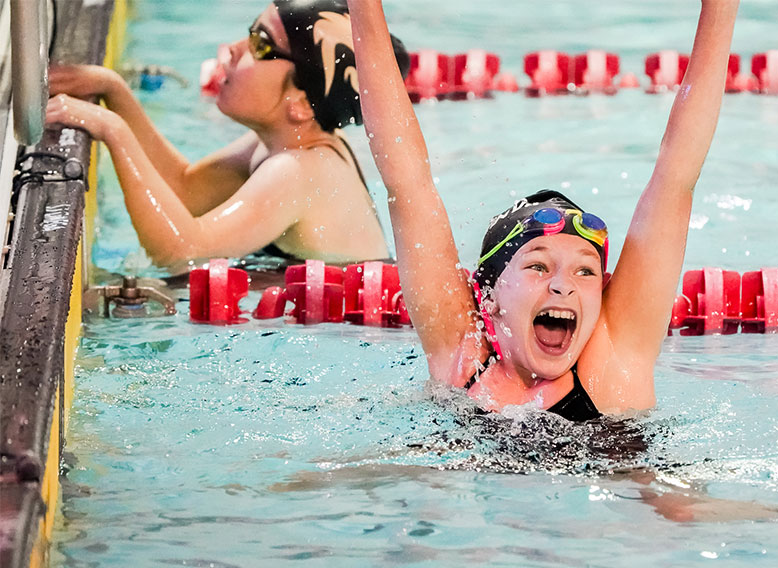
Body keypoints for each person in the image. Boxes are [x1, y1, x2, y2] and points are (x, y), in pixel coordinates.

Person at [346, 0, 740, 420]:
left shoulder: (614, 365)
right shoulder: (461, 357)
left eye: (585, 271)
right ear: (489, 297)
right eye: (538, 266)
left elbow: (676, 175)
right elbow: (407, 182)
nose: (562, 286)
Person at [45, 0, 410, 271]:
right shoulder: (287, 142)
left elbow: (180, 252)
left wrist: (113, 130)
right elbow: (186, 192)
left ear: (300, 102)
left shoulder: (299, 170)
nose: (235, 49)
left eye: (262, 45)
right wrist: (115, 91)